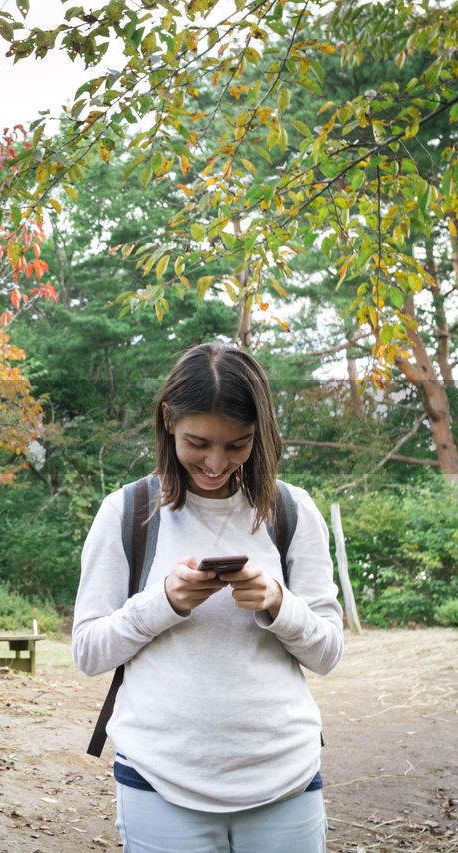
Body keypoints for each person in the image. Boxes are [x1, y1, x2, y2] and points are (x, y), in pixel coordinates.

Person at [72, 343, 344, 853]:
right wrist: (165, 603)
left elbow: (327, 653)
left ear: (258, 435)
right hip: (159, 779)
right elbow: (88, 652)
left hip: (285, 777)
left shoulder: (291, 510)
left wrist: (277, 603)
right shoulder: (128, 511)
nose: (216, 463)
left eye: (237, 445)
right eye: (198, 442)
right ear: (168, 420)